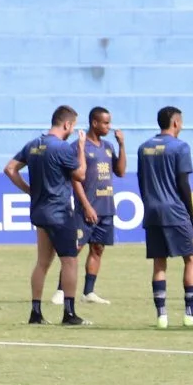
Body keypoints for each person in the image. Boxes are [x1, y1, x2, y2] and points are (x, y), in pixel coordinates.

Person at [6, 105, 95, 326]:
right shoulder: (63, 148)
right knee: (70, 261)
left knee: (43, 262)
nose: (73, 131)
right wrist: (81, 148)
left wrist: (29, 190)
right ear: (67, 124)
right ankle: (69, 313)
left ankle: (35, 312)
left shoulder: (34, 145)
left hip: (39, 211)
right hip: (60, 213)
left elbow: (10, 169)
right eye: (73, 127)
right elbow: (81, 174)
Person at [138, 106, 193, 328]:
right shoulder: (180, 147)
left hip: (152, 211)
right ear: (176, 123)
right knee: (191, 258)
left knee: (159, 263)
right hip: (175, 211)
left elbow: (142, 181)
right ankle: (190, 314)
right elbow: (183, 183)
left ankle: (162, 316)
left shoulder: (144, 148)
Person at [61, 106, 126, 307]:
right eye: (105, 123)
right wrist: (86, 205)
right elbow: (75, 180)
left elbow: (121, 172)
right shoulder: (78, 147)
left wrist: (122, 145)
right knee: (74, 250)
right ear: (94, 123)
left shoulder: (108, 146)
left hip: (106, 207)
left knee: (98, 249)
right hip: (86, 208)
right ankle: (60, 290)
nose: (109, 126)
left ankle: (89, 292)